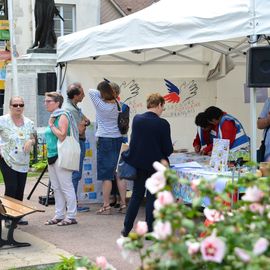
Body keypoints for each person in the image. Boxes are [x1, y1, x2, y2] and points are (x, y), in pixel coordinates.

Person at [121, 93, 174, 237]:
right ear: (160, 105)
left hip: (138, 164)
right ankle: (151, 230)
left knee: (136, 196)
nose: (163, 110)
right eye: (163, 107)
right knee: (152, 197)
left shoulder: (137, 119)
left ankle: (126, 228)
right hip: (156, 166)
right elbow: (168, 149)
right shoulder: (163, 124)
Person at [88, 81, 123, 215]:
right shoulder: (119, 104)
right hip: (118, 139)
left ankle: (106, 205)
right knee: (119, 173)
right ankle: (123, 203)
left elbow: (91, 91)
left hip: (105, 140)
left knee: (106, 175)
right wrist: (110, 93)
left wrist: (104, 91)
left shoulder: (101, 105)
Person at [0, 96, 36, 226]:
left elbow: (33, 138)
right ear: (10, 106)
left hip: (23, 160)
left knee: (20, 189)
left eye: (21, 105)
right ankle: (8, 217)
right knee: (11, 187)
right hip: (7, 159)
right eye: (15, 105)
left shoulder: (29, 122)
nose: (18, 107)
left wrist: (30, 141)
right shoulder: (2, 120)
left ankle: (18, 216)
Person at [44, 92, 78, 226]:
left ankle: (71, 216)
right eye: (45, 101)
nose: (45, 103)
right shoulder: (54, 116)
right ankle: (59, 214)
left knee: (66, 186)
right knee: (57, 187)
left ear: (57, 103)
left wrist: (52, 125)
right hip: (52, 155)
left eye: (48, 101)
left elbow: (62, 136)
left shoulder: (62, 115)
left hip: (61, 155)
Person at [64, 82, 91, 212]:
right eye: (82, 94)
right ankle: (73, 204)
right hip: (76, 143)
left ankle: (71, 203)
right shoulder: (71, 110)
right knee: (75, 174)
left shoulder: (73, 107)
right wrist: (84, 124)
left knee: (74, 174)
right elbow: (80, 130)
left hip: (75, 143)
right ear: (76, 96)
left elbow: (86, 120)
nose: (84, 96)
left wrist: (85, 122)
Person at [109, 82, 129, 213]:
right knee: (117, 171)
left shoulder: (105, 107)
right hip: (121, 139)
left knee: (114, 171)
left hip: (114, 140)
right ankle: (119, 200)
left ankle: (117, 199)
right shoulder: (124, 106)